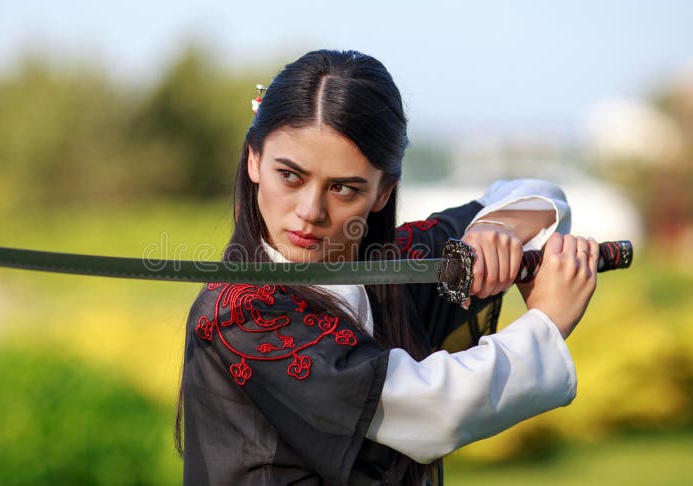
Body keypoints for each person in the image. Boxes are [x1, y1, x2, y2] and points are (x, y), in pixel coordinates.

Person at [179, 49, 598, 485]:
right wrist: (545, 322)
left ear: (383, 192)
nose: (309, 211)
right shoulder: (242, 313)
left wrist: (496, 229)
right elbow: (430, 412)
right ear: (254, 161)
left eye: (343, 188)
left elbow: (538, 195)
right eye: (290, 176)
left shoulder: (396, 264)